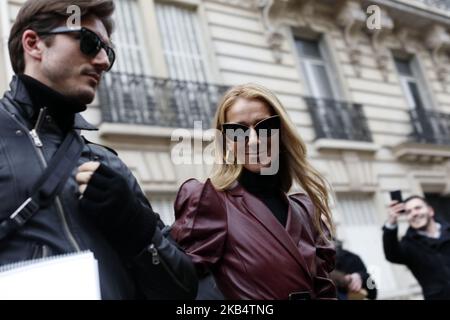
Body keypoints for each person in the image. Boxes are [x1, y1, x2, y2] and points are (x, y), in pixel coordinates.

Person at [0, 0, 197, 299]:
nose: (104, 61)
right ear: (34, 44)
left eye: (109, 51)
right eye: (90, 42)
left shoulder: (106, 163)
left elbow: (182, 291)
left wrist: (136, 227)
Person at [170, 83, 336, 300]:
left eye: (265, 126)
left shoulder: (305, 209)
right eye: (237, 131)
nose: (254, 140)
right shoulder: (209, 200)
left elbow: (324, 292)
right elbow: (178, 284)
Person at [383, 195, 450, 300]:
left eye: (418, 208)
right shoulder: (408, 244)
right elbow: (392, 255)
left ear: (430, 211)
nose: (414, 213)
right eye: (408, 212)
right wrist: (391, 223)